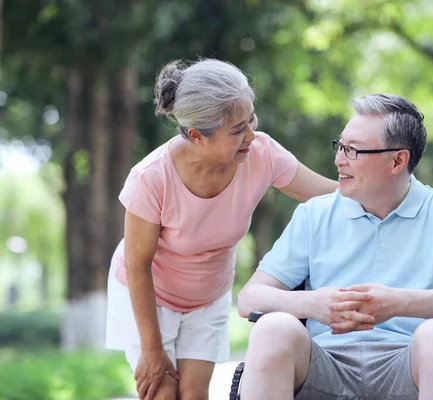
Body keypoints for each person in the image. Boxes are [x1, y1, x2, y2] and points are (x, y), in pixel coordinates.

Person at [237, 93, 433, 400]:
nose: (338, 159)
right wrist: (314, 305)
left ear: (397, 160)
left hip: (409, 365)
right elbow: (250, 298)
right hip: (324, 363)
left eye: (353, 151)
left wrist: (398, 303)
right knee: (272, 328)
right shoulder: (315, 214)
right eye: (340, 146)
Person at [105, 58, 338, 400]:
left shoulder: (262, 154)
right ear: (197, 136)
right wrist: (152, 351)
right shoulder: (151, 178)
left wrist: (382, 182)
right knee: (163, 392)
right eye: (237, 129)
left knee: (195, 394)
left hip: (207, 296)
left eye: (251, 119)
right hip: (148, 295)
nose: (251, 135)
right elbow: (138, 267)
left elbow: (328, 195)